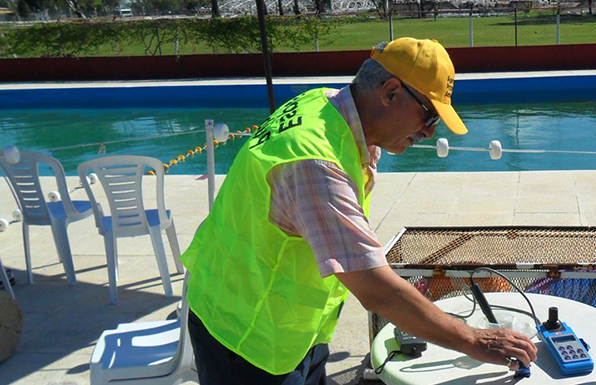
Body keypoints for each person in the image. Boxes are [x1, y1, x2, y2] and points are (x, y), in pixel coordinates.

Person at [180, 37, 537, 385]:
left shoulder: (323, 104)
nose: (429, 132)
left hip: (282, 324)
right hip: (247, 340)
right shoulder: (313, 162)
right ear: (390, 91)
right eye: (429, 114)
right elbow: (376, 289)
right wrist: (472, 340)